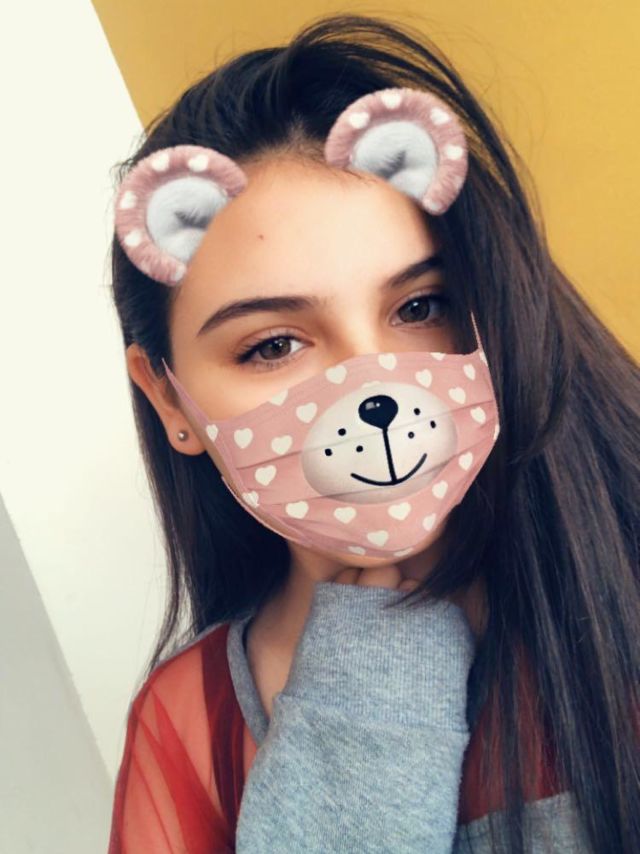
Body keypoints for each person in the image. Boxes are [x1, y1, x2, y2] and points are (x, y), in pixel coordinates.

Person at [106, 13, 640, 853]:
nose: (374, 383)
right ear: (170, 400)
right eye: (273, 345)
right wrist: (369, 695)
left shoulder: (620, 585)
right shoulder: (191, 729)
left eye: (419, 306)